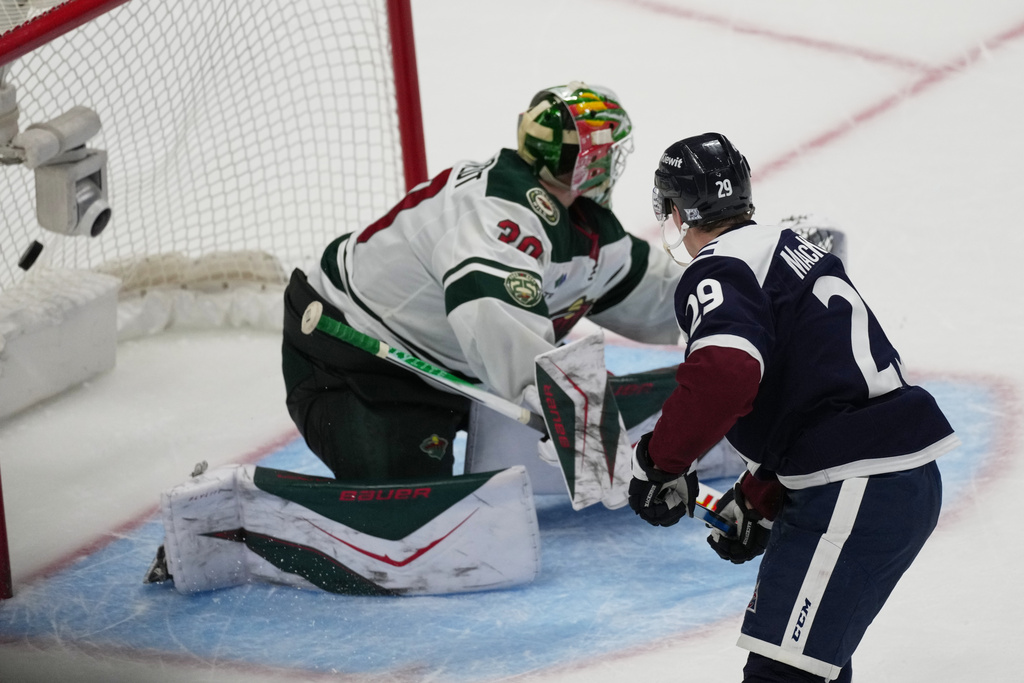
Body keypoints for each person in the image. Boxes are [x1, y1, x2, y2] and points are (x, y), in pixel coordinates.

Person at [627, 132, 960, 682]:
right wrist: (761, 494)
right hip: (880, 477)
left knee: (784, 677)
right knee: (812, 667)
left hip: (855, 484)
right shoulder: (793, 247)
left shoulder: (718, 267)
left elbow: (726, 376)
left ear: (679, 212)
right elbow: (820, 383)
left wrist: (662, 462)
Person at [280, 82, 685, 484]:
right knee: (414, 511)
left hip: (466, 370)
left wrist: (729, 314)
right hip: (360, 359)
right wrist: (561, 406)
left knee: (542, 389)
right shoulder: (497, 215)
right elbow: (495, 318)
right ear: (588, 161)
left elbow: (662, 294)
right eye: (609, 152)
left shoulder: (583, 224)